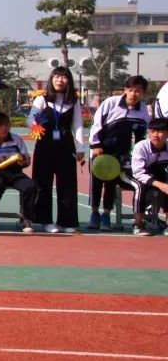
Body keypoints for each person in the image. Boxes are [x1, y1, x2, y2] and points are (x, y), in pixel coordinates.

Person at [87, 75, 151, 231]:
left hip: (119, 154)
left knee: (111, 184)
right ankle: (94, 213)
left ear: (143, 93)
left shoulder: (143, 110)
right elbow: (97, 124)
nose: (133, 94)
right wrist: (95, 145)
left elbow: (141, 136)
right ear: (125, 90)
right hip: (101, 150)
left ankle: (106, 215)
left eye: (138, 91)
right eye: (130, 90)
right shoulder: (111, 103)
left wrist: (136, 154)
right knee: (96, 184)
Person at [28, 66, 84, 234]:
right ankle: (45, 221)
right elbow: (31, 117)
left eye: (64, 77)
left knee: (67, 184)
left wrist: (81, 148)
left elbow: (78, 125)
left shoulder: (74, 101)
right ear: (51, 79)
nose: (60, 80)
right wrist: (35, 125)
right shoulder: (42, 98)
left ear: (69, 80)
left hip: (66, 147)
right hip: (45, 146)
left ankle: (67, 221)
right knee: (43, 183)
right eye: (57, 76)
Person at [0, 112, 38, 233]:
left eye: (6, 125)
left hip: (14, 174)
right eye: (0, 125)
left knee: (31, 186)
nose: (4, 128)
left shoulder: (17, 140)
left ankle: (26, 219)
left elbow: (26, 160)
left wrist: (23, 162)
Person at [130, 117, 168, 236]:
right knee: (140, 187)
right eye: (152, 131)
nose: (155, 135)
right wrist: (159, 184)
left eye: (160, 131)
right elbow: (138, 172)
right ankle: (138, 224)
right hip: (136, 175)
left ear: (167, 134)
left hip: (158, 174)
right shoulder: (141, 147)